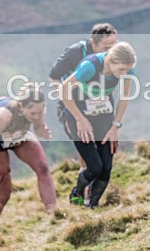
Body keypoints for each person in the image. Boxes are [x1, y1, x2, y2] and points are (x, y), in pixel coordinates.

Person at [48, 22, 118, 204]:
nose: (111, 52)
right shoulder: (76, 52)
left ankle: (91, 199)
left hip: (101, 107)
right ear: (93, 43)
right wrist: (69, 104)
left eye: (114, 46)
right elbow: (53, 77)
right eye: (106, 48)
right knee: (88, 157)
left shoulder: (115, 58)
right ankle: (81, 197)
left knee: (104, 158)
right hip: (74, 108)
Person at [60, 42, 136, 208]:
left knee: (106, 168)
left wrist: (115, 127)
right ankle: (77, 194)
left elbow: (124, 98)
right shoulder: (90, 66)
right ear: (110, 61)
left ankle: (92, 206)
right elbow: (64, 90)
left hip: (103, 116)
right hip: (79, 115)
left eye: (127, 70)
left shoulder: (127, 70)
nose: (124, 74)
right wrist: (80, 119)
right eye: (121, 69)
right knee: (95, 167)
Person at [0, 85, 56, 225]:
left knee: (43, 168)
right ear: (21, 106)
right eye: (32, 114)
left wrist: (42, 131)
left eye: (40, 112)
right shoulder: (6, 115)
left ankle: (53, 215)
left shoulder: (38, 110)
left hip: (19, 135)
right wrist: (2, 164)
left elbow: (38, 128)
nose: (36, 116)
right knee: (4, 194)